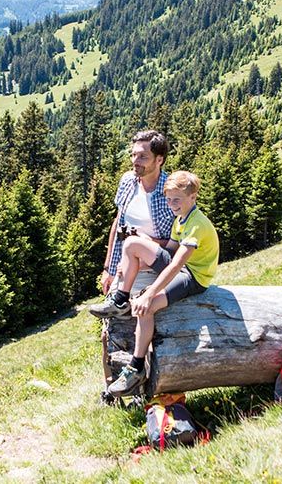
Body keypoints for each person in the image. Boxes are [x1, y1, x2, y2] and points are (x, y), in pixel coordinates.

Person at [89, 170, 218, 397]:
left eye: (176, 200)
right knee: (131, 244)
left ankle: (136, 366)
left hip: (194, 276)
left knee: (144, 306)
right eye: (168, 200)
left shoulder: (196, 225)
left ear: (193, 197)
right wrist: (137, 259)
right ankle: (120, 299)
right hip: (181, 268)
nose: (172, 204)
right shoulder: (181, 219)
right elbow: (168, 251)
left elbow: (176, 265)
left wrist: (150, 294)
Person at [99, 130, 176, 296]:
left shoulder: (172, 192)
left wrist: (144, 244)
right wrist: (108, 269)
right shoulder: (128, 181)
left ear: (160, 160)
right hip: (124, 265)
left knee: (138, 310)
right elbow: (118, 223)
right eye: (133, 155)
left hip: (155, 269)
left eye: (142, 156)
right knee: (113, 312)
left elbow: (180, 242)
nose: (135, 161)